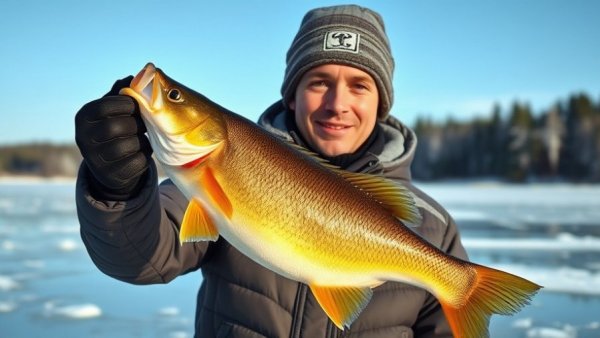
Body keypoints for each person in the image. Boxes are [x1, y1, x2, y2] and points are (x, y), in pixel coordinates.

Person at [75, 5, 469, 338]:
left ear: (381, 103)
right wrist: (117, 188)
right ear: (292, 97)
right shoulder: (206, 177)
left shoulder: (433, 226)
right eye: (319, 82)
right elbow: (141, 257)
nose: (338, 103)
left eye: (359, 85)